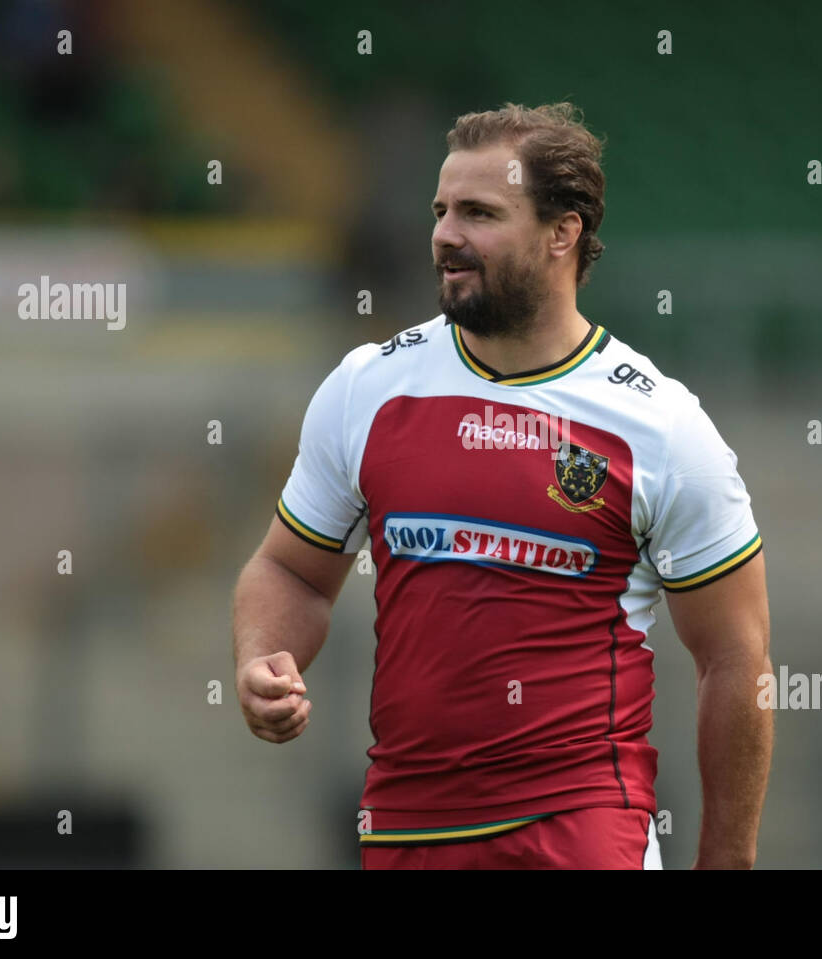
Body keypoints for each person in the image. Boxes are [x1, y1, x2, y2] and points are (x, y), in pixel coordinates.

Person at [232, 102, 772, 869]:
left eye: (480, 213)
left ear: (563, 232)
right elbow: (290, 569)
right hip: (406, 829)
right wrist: (263, 656)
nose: (446, 234)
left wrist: (727, 861)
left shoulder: (660, 426)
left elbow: (736, 658)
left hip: (582, 831)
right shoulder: (368, 387)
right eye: (441, 210)